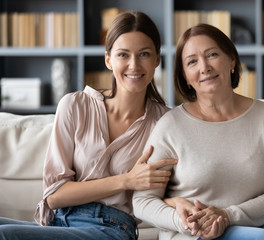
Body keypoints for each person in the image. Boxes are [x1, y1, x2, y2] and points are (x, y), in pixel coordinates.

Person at [132, 23, 264, 240]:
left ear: (231, 60)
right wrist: (187, 223)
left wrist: (228, 215)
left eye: (212, 54)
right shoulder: (170, 126)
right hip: (196, 232)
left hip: (254, 220)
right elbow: (143, 201)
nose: (204, 67)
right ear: (185, 76)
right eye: (192, 61)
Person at [0, 11, 177, 240]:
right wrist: (126, 180)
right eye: (123, 54)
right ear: (108, 60)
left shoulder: (166, 123)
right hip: (56, 222)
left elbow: (171, 192)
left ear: (157, 59)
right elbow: (54, 195)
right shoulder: (75, 105)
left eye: (144, 54)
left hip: (112, 229)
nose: (134, 65)